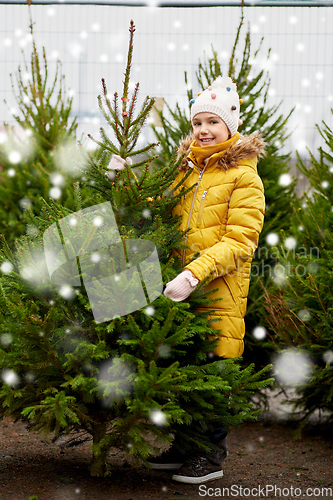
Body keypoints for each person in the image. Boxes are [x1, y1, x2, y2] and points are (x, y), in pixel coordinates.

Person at [148, 76, 266, 484]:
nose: (203, 130)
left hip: (217, 292)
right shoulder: (186, 171)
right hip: (183, 292)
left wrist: (195, 272)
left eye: (212, 122)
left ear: (230, 126)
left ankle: (210, 456)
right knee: (186, 370)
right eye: (197, 122)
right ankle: (184, 447)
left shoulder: (244, 177)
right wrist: (123, 184)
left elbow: (241, 240)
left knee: (213, 376)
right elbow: (160, 209)